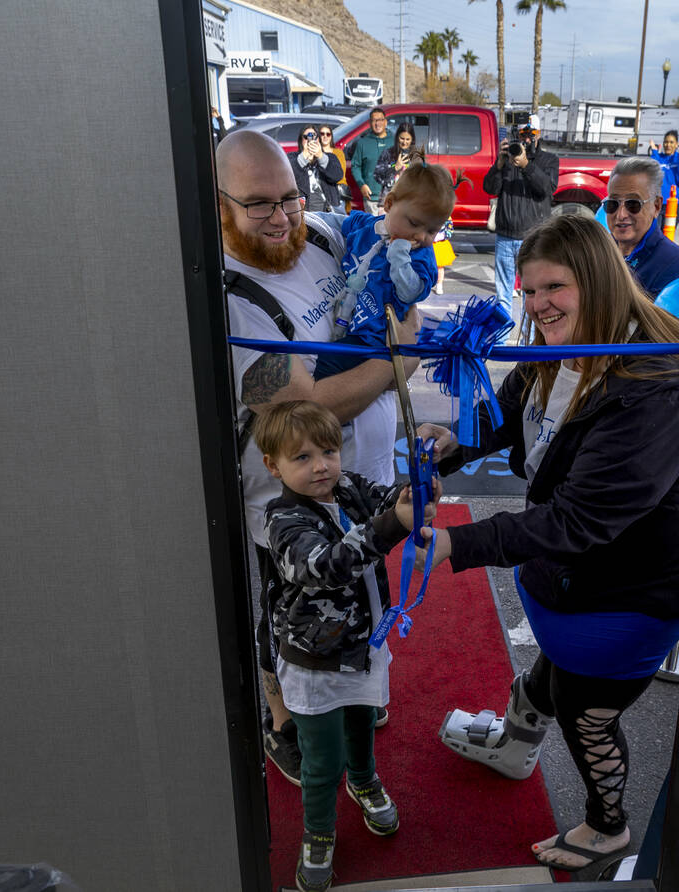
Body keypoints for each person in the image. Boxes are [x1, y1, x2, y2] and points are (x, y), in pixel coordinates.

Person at [415, 213, 679, 876]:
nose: (537, 304)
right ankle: (512, 745)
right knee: (552, 675)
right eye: (527, 290)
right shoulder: (560, 347)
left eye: (554, 287)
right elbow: (510, 416)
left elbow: (580, 522)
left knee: (587, 711)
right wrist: (454, 442)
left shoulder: (658, 386)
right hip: (568, 582)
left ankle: (609, 827)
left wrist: (454, 545)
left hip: (625, 594)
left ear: (599, 281)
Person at [217, 130, 421, 786]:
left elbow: (391, 234)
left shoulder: (321, 237)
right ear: (216, 203)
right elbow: (309, 409)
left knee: (360, 591)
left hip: (362, 483)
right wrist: (401, 363)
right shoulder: (227, 296)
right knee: (290, 613)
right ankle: (283, 723)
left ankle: (352, 693)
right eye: (258, 204)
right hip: (285, 503)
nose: (280, 218)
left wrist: (411, 247)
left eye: (289, 199)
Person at [256, 399, 438, 892]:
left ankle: (364, 779)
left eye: (329, 451)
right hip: (314, 662)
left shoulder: (349, 486)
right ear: (272, 465)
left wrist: (418, 485)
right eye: (302, 458)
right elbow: (322, 567)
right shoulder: (281, 518)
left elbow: (389, 500)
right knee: (320, 760)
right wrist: (393, 524)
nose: (321, 466)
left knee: (363, 723)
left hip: (365, 647)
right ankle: (318, 832)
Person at [315, 155, 455, 379]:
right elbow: (335, 222)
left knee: (322, 368)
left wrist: (399, 255)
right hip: (342, 317)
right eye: (414, 223)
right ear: (389, 204)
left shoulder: (420, 256)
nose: (420, 236)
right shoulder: (367, 226)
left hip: (373, 339)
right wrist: (300, 219)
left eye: (431, 231)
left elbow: (410, 292)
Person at [483, 117, 559, 332]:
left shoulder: (549, 160)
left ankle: (531, 340)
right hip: (506, 236)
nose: (526, 139)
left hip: (534, 240)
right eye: (523, 134)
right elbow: (489, 188)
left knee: (535, 295)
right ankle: (501, 339)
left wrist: (526, 165)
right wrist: (498, 165)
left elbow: (545, 189)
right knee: (503, 293)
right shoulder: (507, 159)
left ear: (539, 134)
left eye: (531, 134)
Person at [603, 156, 679, 298]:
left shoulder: (675, 265)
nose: (621, 215)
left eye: (633, 204)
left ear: (656, 206)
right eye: (613, 203)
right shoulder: (599, 249)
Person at [289, 123, 344, 213]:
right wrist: (304, 157)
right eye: (306, 137)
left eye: (314, 136)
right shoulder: (293, 157)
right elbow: (289, 177)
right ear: (301, 140)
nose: (310, 140)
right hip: (304, 213)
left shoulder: (330, 157)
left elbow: (337, 176)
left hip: (327, 212)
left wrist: (320, 156)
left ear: (319, 140)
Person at [350, 106, 390, 215]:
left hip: (391, 199)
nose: (377, 123)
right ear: (370, 123)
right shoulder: (363, 142)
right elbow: (355, 166)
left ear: (385, 122)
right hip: (371, 198)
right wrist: (361, 184)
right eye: (374, 120)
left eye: (380, 120)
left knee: (390, 230)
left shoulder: (394, 140)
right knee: (373, 229)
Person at [649, 130, 679, 226]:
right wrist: (655, 153)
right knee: (654, 234)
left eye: (671, 142)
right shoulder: (658, 158)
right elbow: (652, 174)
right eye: (666, 142)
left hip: (673, 205)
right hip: (657, 204)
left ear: (677, 144)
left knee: (667, 236)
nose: (668, 145)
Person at [371, 123, 417, 201]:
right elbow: (377, 176)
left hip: (409, 203)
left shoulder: (417, 157)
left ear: (412, 140)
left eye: (408, 139)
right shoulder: (388, 153)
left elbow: (421, 182)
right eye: (402, 138)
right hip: (389, 201)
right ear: (397, 138)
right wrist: (394, 168)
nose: (404, 142)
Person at [317, 124, 350, 211]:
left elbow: (341, 175)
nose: (325, 136)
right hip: (321, 193)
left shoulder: (338, 153)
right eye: (322, 134)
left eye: (328, 134)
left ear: (331, 136)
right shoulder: (315, 152)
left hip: (337, 192)